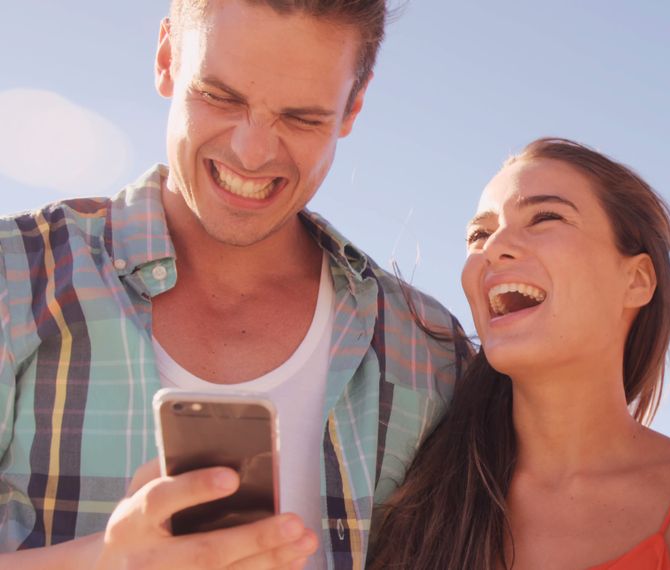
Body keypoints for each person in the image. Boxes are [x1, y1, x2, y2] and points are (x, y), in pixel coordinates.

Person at [0, 1, 466, 568]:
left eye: (302, 118)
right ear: (168, 58)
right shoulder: (15, 275)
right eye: (220, 98)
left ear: (354, 105)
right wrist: (102, 560)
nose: (251, 153)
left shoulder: (430, 353)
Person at [369, 138, 670, 570]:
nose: (494, 247)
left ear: (636, 280)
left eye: (545, 217)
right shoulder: (410, 494)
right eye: (479, 234)